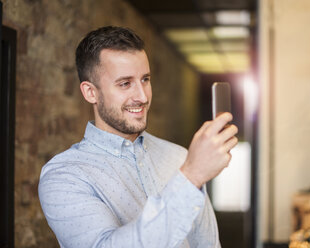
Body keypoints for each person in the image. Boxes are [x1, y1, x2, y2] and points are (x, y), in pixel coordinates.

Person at [38, 26, 238, 248]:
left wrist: (191, 172)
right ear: (90, 92)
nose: (142, 96)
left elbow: (208, 244)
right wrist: (191, 177)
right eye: (125, 83)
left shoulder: (179, 157)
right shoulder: (64, 175)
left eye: (145, 79)